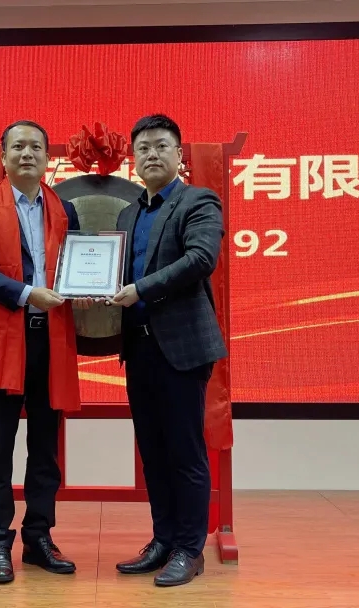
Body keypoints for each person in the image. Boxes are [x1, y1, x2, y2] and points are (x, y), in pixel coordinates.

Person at [0, 119, 93, 584]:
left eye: (36, 146)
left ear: (47, 157)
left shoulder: (64, 209)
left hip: (50, 342)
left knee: (45, 450)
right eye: (18, 146)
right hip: (2, 342)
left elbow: (77, 265)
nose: (27, 154)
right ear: (3, 157)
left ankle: (38, 538)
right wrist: (25, 293)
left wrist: (85, 287)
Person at [109, 114, 228, 586]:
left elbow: (201, 259)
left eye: (161, 146)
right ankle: (162, 540)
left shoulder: (198, 201)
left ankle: (189, 549)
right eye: (143, 148)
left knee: (185, 452)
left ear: (179, 154)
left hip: (181, 348)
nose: (152, 154)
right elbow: (115, 274)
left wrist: (140, 289)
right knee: (153, 453)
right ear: (133, 159)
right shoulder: (128, 214)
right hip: (138, 348)